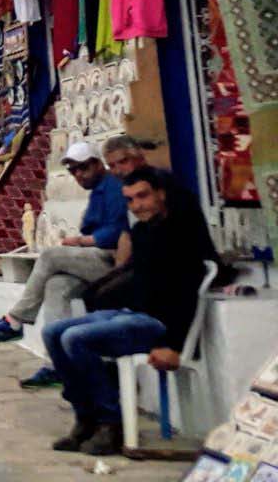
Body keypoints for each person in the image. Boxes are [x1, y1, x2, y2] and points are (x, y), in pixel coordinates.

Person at [42, 167, 218, 456]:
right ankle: (85, 417)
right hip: (130, 314)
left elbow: (188, 294)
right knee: (52, 333)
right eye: (130, 200)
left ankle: (111, 421)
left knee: (76, 338)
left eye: (143, 196)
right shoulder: (141, 232)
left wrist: (173, 345)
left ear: (161, 194)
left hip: (157, 324)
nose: (137, 205)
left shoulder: (181, 232)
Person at [0, 142, 127, 368]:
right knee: (57, 285)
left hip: (116, 262)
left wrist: (81, 241)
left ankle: (15, 321)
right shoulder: (98, 192)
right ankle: (57, 363)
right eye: (73, 170)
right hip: (96, 259)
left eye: (83, 168)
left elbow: (117, 232)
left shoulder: (113, 188)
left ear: (97, 164)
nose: (78, 175)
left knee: (50, 256)